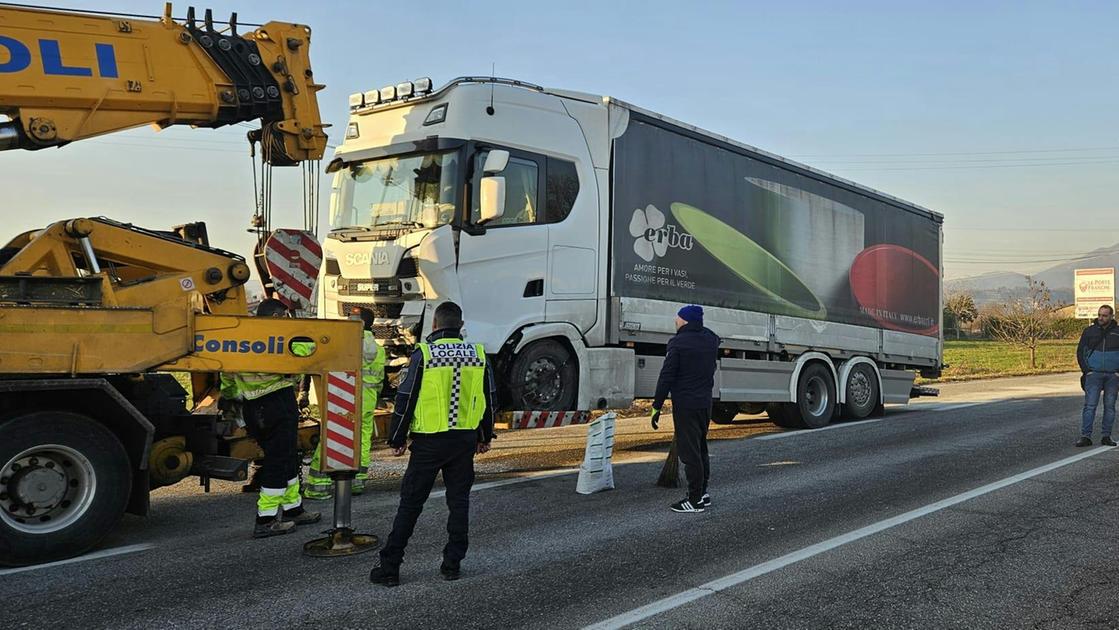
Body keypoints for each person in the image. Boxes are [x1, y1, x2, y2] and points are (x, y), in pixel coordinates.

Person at [369, 301, 496, 587]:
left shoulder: (424, 354)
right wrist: (484, 436)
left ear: (435, 325)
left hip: (428, 443)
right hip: (463, 441)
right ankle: (452, 565)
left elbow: (406, 398)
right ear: (460, 326)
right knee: (459, 503)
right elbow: (489, 398)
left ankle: (390, 568)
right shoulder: (477, 354)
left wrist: (397, 438)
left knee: (410, 505)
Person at [220, 299, 320, 538]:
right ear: (276, 317)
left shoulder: (240, 341)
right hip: (277, 403)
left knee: (284, 457)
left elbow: (228, 380)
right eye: (285, 316)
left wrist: (232, 399)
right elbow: (309, 352)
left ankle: (293, 509)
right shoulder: (280, 338)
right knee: (278, 461)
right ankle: (265, 520)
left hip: (253, 409)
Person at [303, 308, 386, 499]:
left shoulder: (341, 344)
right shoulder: (379, 351)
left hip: (344, 400)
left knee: (331, 438)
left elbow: (307, 352)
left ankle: (319, 487)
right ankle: (356, 482)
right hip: (367, 401)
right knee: (362, 440)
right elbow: (379, 381)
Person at [651, 304, 720, 513]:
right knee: (700, 449)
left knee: (690, 453)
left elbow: (666, 377)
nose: (676, 321)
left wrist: (656, 406)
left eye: (678, 318)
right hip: (704, 404)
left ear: (686, 321)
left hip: (686, 405)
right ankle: (703, 492)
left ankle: (695, 499)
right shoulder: (710, 340)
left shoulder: (678, 343)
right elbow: (712, 335)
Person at [1076, 304, 1119, 447]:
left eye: (1105, 315)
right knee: (1090, 406)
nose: (1101, 318)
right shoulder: (1089, 331)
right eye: (1100, 315)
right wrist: (1087, 370)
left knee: (1110, 407)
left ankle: (1106, 436)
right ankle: (1085, 436)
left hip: (1112, 376)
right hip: (1093, 375)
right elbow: (1081, 352)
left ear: (1112, 316)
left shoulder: (1117, 332)